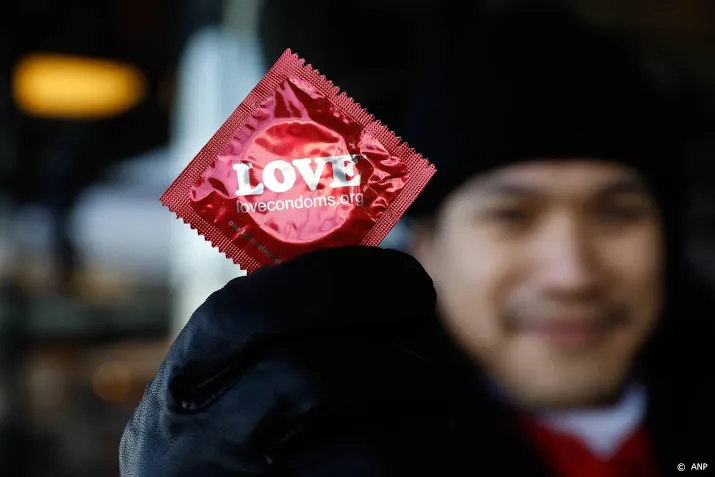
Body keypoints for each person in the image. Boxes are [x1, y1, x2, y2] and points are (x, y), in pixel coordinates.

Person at [119, 10, 714, 477]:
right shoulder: (327, 449)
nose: (572, 272)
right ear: (427, 245)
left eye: (616, 213)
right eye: (512, 216)